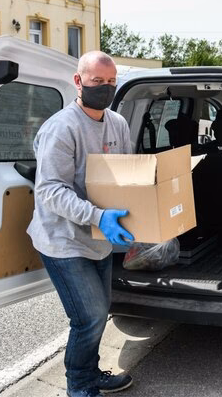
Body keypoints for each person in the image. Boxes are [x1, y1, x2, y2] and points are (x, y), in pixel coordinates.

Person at [27, 51, 135, 397]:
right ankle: (80, 384)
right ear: (78, 81)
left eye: (111, 82)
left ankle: (91, 372)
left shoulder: (118, 124)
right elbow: (49, 190)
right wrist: (98, 215)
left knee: (100, 312)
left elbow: (126, 178)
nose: (105, 88)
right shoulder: (62, 127)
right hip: (63, 239)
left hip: (99, 238)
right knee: (87, 317)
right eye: (97, 81)